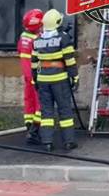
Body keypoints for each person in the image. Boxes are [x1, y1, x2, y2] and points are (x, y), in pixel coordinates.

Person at [31, 9, 79, 151]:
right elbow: (69, 60)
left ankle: (47, 142)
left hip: (43, 80)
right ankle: (69, 141)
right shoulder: (63, 38)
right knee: (64, 110)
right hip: (60, 80)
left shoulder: (37, 41)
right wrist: (74, 77)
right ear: (58, 22)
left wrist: (35, 80)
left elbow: (34, 63)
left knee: (46, 112)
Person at [18, 9, 43, 144]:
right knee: (40, 104)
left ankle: (29, 128)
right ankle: (34, 131)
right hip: (37, 75)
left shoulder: (23, 37)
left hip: (27, 76)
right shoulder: (37, 40)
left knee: (29, 103)